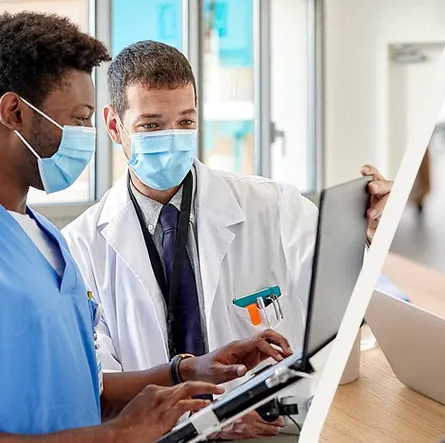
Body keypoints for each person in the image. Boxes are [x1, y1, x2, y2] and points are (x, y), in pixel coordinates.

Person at [61, 40, 393, 439]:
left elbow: (347, 304)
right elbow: (99, 384)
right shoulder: (80, 246)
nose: (172, 137)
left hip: (277, 430)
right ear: (115, 125)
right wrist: (205, 421)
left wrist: (372, 236)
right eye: (151, 125)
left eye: (185, 122)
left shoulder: (273, 205)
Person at [0, 11, 292, 442]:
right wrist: (120, 434)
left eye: (185, 121)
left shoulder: (46, 240)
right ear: (14, 113)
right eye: (79, 120)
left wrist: (187, 368)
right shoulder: (70, 240)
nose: (85, 137)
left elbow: (86, 386)